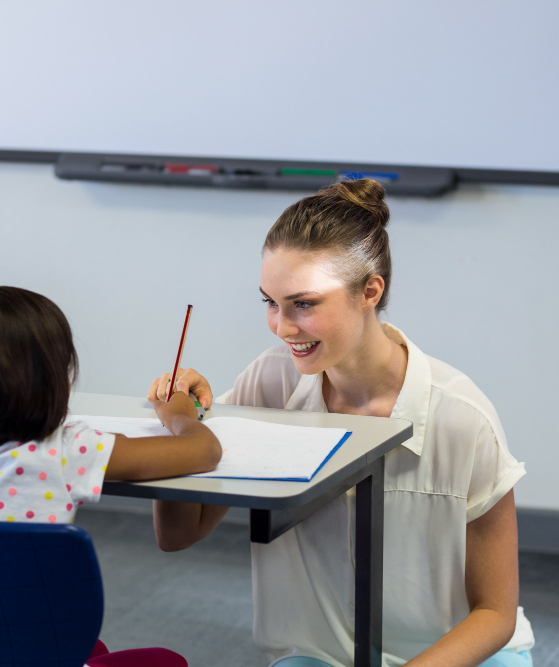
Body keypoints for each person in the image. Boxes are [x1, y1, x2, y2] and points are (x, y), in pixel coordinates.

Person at [149, 180, 534, 667]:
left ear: (370, 291)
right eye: (270, 302)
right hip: (320, 659)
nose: (282, 327)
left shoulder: (462, 418)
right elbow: (178, 534)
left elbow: (496, 613)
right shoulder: (268, 384)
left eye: (304, 304)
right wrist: (179, 422)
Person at [0, 286, 221, 667]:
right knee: (167, 661)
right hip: (33, 654)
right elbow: (203, 452)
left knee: (90, 645)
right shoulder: (63, 452)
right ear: (52, 381)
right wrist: (177, 413)